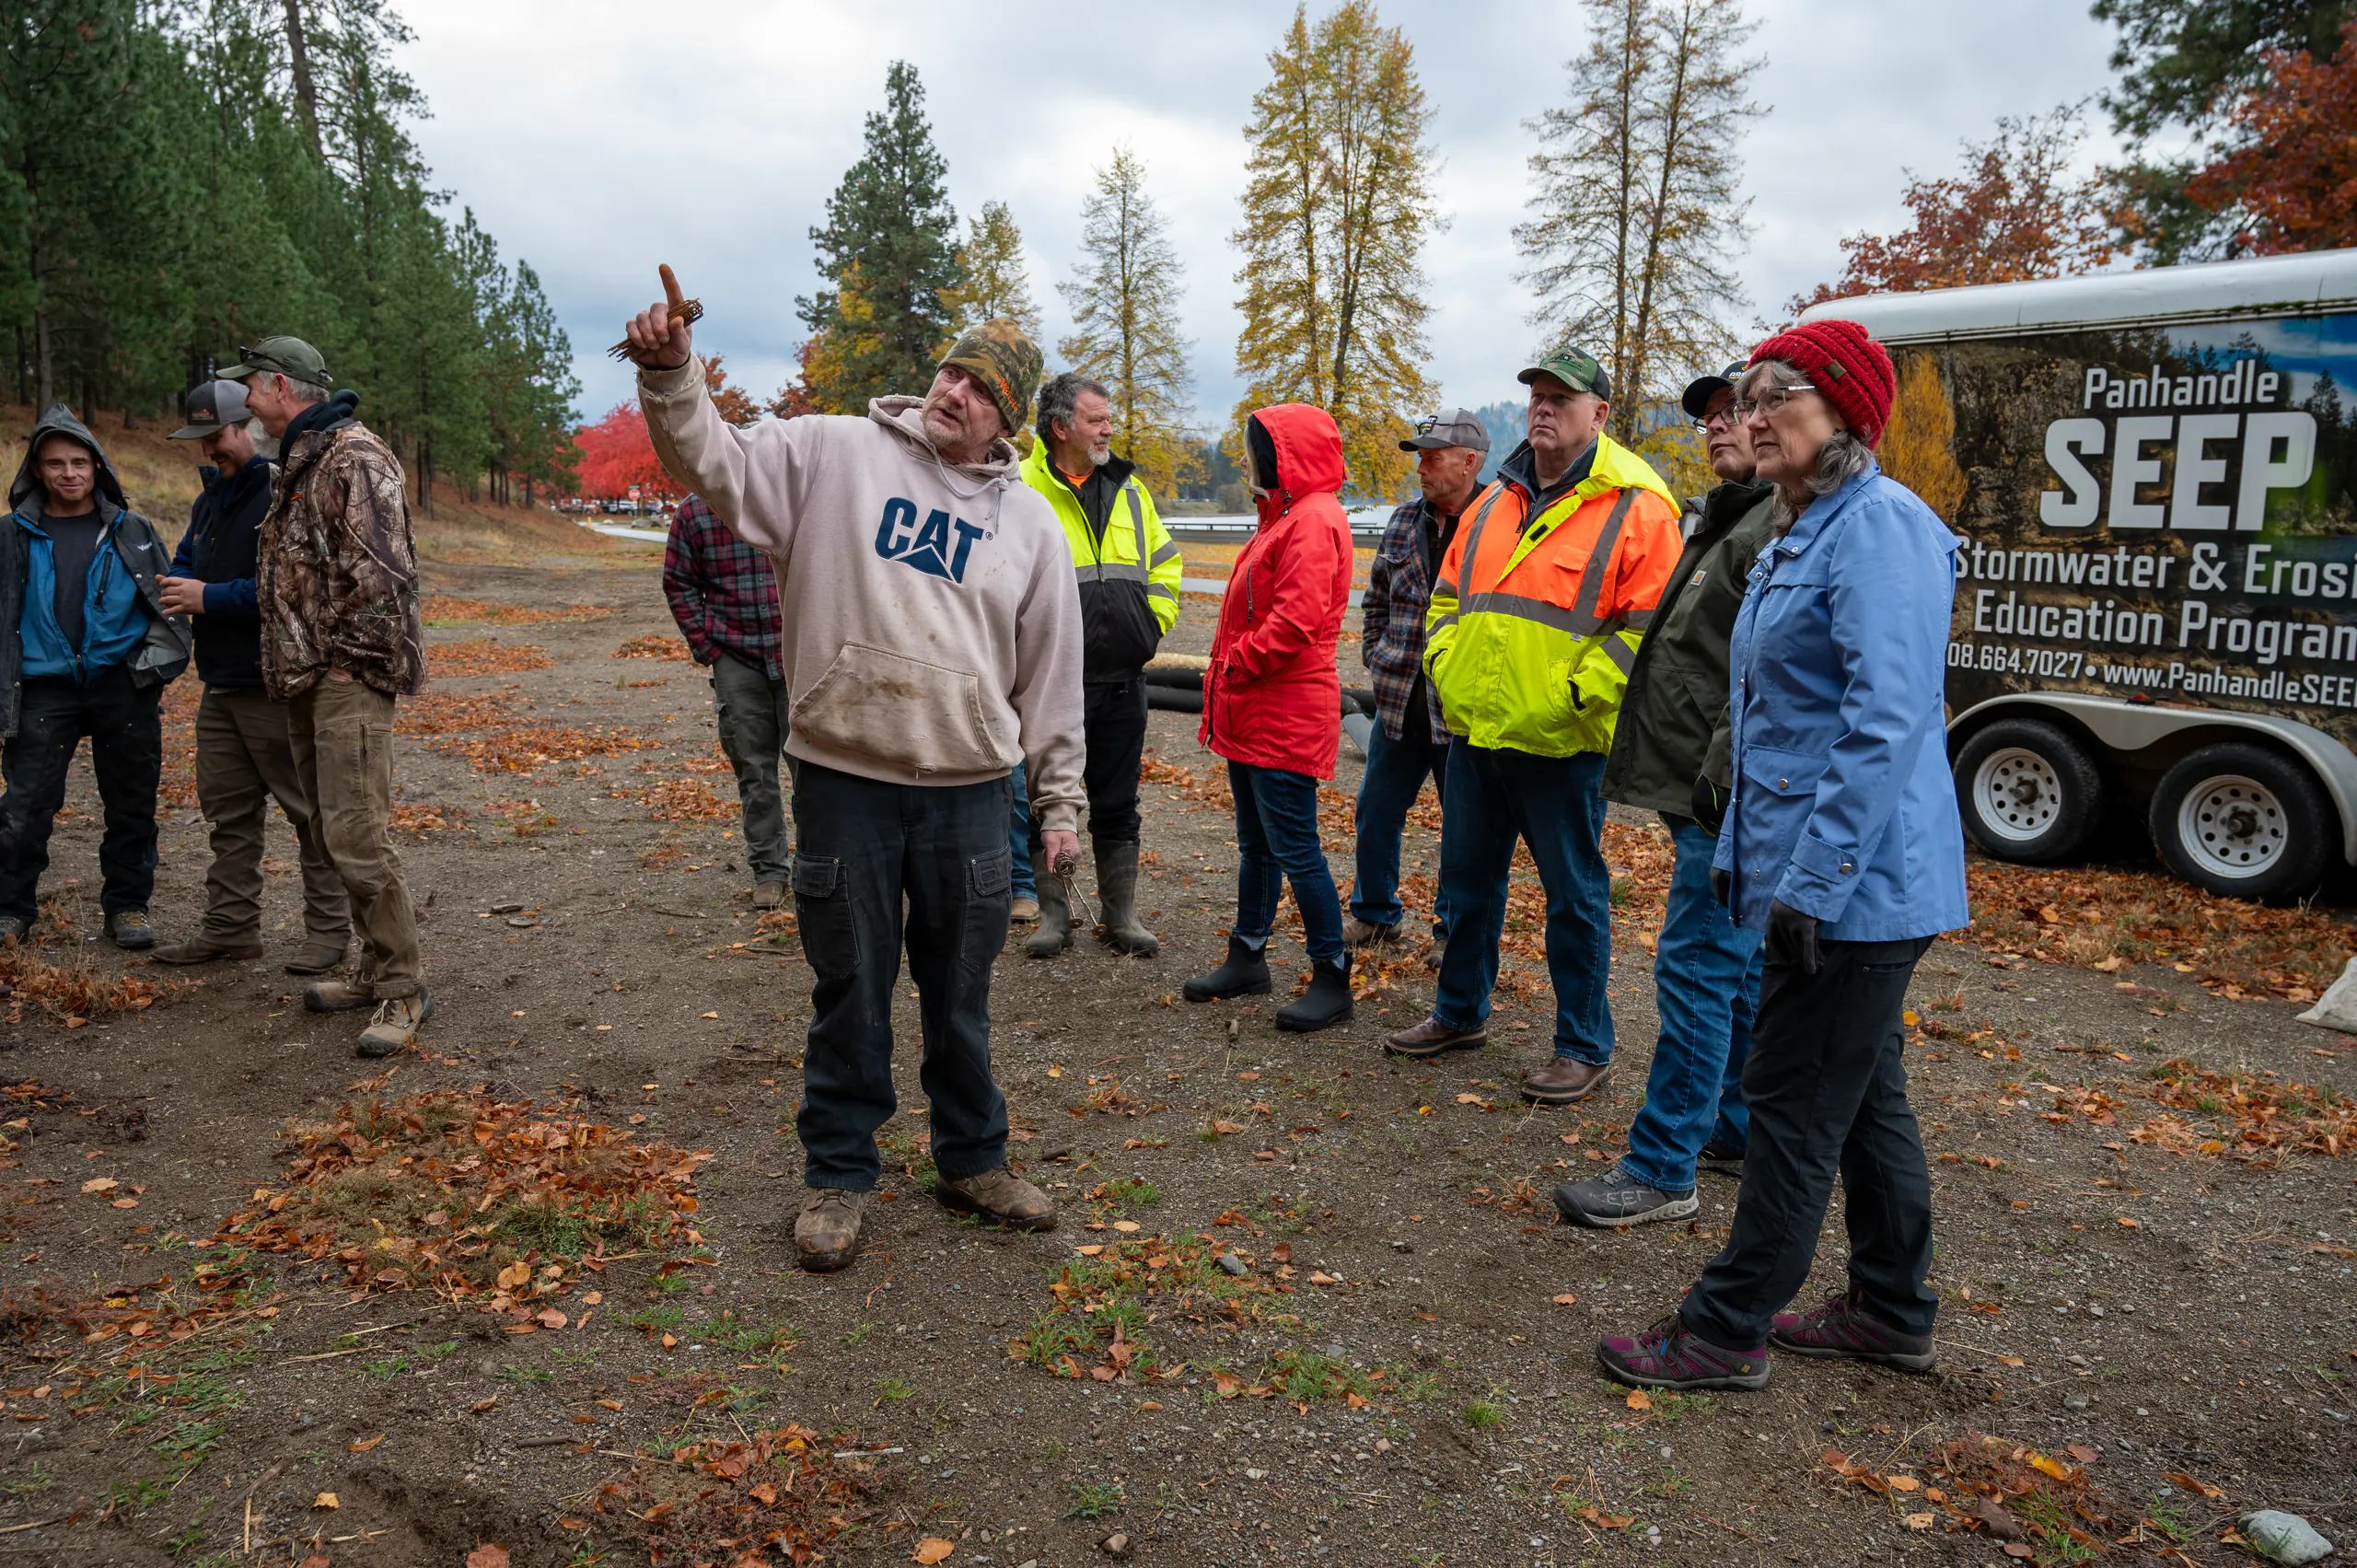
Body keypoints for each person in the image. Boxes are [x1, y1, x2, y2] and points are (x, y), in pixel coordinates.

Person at [623, 278, 1085, 1273]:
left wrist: (1060, 803)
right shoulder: (829, 451)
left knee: (960, 990)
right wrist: (671, 377)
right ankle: (837, 1172)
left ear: (1008, 420)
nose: (953, 389)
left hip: (967, 791)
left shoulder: (1030, 528)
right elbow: (714, 461)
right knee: (851, 988)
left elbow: (1051, 679)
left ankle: (972, 1159)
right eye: (950, 370)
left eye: (980, 387)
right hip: (844, 779)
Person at [1596, 319, 1968, 1392]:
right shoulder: (1802, 524)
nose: (1752, 417)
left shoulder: (1878, 528)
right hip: (1821, 874)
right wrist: (1745, 861)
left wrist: (1811, 879)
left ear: (1846, 411)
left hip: (1857, 885)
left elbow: (1885, 717)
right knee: (1865, 1097)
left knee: (1794, 1101)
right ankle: (1893, 1309)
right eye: (1747, 399)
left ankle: (1723, 1329)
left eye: (1779, 397)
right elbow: (1770, 716)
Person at [1387, 350, 1682, 1108]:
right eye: (1536, 397)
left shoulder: (1639, 505)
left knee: (1574, 897)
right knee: (1466, 886)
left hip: (1561, 744)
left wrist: (1573, 698)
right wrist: (1446, 671)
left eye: (1562, 397)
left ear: (1600, 413)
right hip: (1480, 734)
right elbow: (1448, 600)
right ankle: (1459, 1012)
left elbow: (1647, 631)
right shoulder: (1495, 501)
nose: (1544, 408)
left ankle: (1584, 1044)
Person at [1562, 365, 1772, 1226]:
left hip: (1724, 796)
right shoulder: (1734, 516)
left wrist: (1719, 781)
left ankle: (1662, 1165)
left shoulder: (1774, 525)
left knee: (1697, 968)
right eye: (1711, 418)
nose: (1718, 428)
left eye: (1736, 412)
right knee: (1742, 969)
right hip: (1706, 787)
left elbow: (1764, 675)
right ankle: (1734, 1124)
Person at [226, 336, 431, 1058]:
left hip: (346, 680)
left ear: (281, 385)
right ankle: (374, 969)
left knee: (357, 833)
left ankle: (405, 988)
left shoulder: (353, 455)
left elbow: (384, 574)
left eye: (250, 388)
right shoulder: (306, 458)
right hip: (306, 679)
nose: (245, 403)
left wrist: (348, 666)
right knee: (329, 832)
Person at [150, 379, 351, 974]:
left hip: (273, 682)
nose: (209, 449)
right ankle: (231, 927)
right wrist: (183, 581)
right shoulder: (208, 499)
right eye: (201, 439)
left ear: (248, 427)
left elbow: (288, 588)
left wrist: (205, 597)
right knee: (228, 814)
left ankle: (329, 932)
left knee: (308, 814)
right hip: (218, 685)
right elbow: (185, 557)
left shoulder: (277, 491)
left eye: (216, 436)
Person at [1182, 404, 1355, 1033]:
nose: (1248, 457)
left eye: (1256, 447)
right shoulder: (1283, 516)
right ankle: (1248, 955)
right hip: (1258, 708)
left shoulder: (1310, 520)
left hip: (1283, 708)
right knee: (1259, 844)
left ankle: (1332, 975)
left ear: (1283, 454)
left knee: (1298, 849)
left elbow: (1295, 622)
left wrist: (1233, 666)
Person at [0, 407, 191, 947]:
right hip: (40, 688)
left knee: (132, 803)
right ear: (36, 469)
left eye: (79, 462)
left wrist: (149, 670)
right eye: (56, 463)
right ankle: (10, 909)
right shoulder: (10, 536)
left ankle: (128, 907)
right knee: (23, 807)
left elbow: (168, 605)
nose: (69, 473)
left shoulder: (131, 530)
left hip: (121, 685)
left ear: (96, 466)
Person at [1017, 372, 1183, 959]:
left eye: (1109, 418)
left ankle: (1120, 917)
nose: (1108, 428)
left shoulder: (1131, 490)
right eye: (1096, 419)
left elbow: (1165, 562)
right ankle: (1053, 918)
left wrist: (1153, 622)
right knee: (1046, 799)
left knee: (1119, 802)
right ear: (1061, 427)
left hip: (1122, 680)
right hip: (1050, 682)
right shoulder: (1021, 489)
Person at [1344, 408, 1487, 964]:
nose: (1422, 468)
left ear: (1469, 461)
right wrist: (1376, 657)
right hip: (1400, 702)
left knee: (1466, 827)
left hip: (1463, 708)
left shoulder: (1501, 524)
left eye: (1433, 457)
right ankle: (1375, 913)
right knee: (1376, 809)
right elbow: (1376, 599)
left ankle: (1453, 929)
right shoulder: (1404, 521)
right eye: (1419, 457)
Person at [664, 490, 792, 909]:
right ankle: (770, 872)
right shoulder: (695, 511)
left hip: (796, 650)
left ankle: (819, 866)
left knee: (817, 770)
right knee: (754, 771)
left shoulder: (789, 497)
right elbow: (679, 582)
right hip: (734, 655)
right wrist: (707, 647)